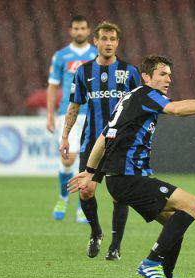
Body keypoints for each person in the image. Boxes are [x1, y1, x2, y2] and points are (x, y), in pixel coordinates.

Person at [68, 55, 195, 278]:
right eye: (163, 74)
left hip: (121, 180)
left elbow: (103, 138)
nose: (168, 79)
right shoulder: (147, 96)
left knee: (174, 224)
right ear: (146, 77)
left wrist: (90, 172)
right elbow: (177, 109)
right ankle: (150, 262)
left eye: (170, 74)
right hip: (127, 178)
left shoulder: (128, 98)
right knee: (192, 204)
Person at [60, 21, 140, 260]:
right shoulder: (83, 72)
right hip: (91, 142)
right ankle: (96, 232)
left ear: (118, 42)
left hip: (121, 145)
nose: (108, 43)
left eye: (112, 39)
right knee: (86, 190)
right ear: (95, 41)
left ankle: (115, 246)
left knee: (119, 195)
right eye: (103, 38)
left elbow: (141, 105)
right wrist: (65, 136)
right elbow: (74, 105)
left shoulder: (130, 72)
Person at [47, 15, 97, 223]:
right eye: (76, 28)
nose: (79, 32)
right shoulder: (61, 56)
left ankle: (81, 205)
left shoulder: (96, 54)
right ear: (70, 30)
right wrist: (50, 114)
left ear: (88, 31)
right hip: (67, 113)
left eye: (83, 28)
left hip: (93, 113)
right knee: (67, 159)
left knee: (88, 162)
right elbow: (53, 85)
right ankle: (63, 196)